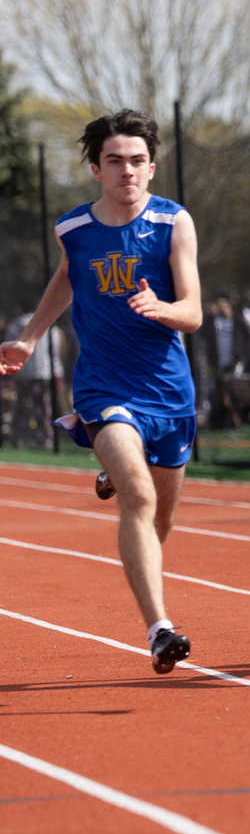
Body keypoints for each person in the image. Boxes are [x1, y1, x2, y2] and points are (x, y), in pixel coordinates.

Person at [0, 110, 201, 674]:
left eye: (137, 161)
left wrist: (164, 308)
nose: (127, 171)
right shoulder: (74, 229)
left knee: (158, 523)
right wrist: (30, 338)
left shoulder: (173, 223)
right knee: (137, 497)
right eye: (115, 161)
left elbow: (194, 310)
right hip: (103, 387)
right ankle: (160, 631)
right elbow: (68, 274)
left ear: (152, 167)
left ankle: (120, 464)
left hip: (169, 393)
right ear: (96, 169)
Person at [4, 302, 67, 447]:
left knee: (20, 405)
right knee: (43, 407)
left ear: (20, 309)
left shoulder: (15, 324)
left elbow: (9, 347)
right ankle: (45, 438)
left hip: (22, 371)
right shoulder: (48, 324)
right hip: (44, 372)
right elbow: (58, 347)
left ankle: (17, 437)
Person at [203, 290, 250, 428]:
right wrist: (209, 314)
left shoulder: (238, 319)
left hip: (235, 362)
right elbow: (201, 332)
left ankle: (238, 421)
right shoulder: (212, 321)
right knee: (220, 394)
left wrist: (243, 354)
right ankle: (233, 420)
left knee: (232, 393)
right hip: (219, 364)